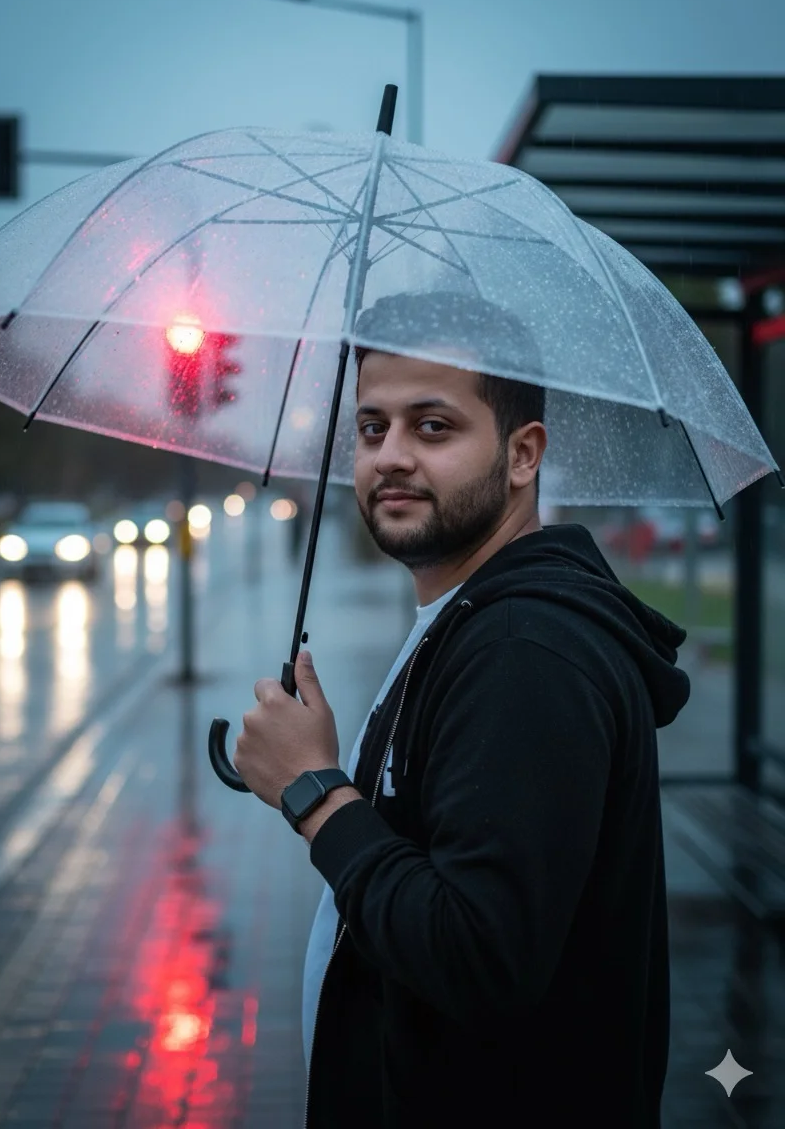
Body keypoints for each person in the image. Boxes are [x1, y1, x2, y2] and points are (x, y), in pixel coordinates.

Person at [231, 291, 690, 1129]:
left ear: (523, 455)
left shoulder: (525, 651)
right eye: (372, 429)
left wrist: (317, 795)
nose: (390, 457)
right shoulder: (473, 622)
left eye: (432, 426)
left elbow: (478, 955)